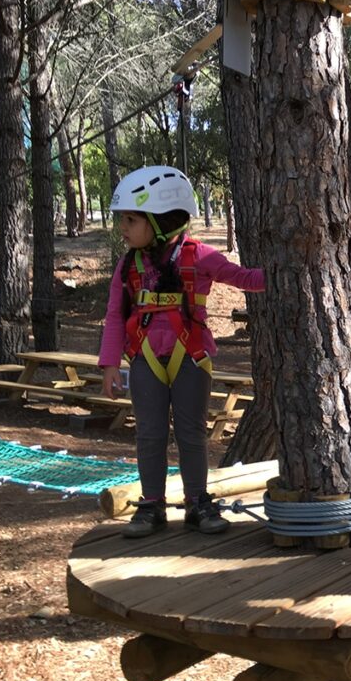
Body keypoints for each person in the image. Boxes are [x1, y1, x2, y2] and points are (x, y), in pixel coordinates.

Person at [98, 165, 265, 539]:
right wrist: (109, 364)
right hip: (145, 362)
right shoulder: (128, 266)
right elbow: (114, 315)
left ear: (160, 220)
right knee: (149, 435)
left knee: (191, 434)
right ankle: (152, 505)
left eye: (130, 219)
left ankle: (197, 503)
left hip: (190, 359)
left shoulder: (198, 256)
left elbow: (245, 279)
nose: (123, 227)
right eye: (122, 219)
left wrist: (291, 269)